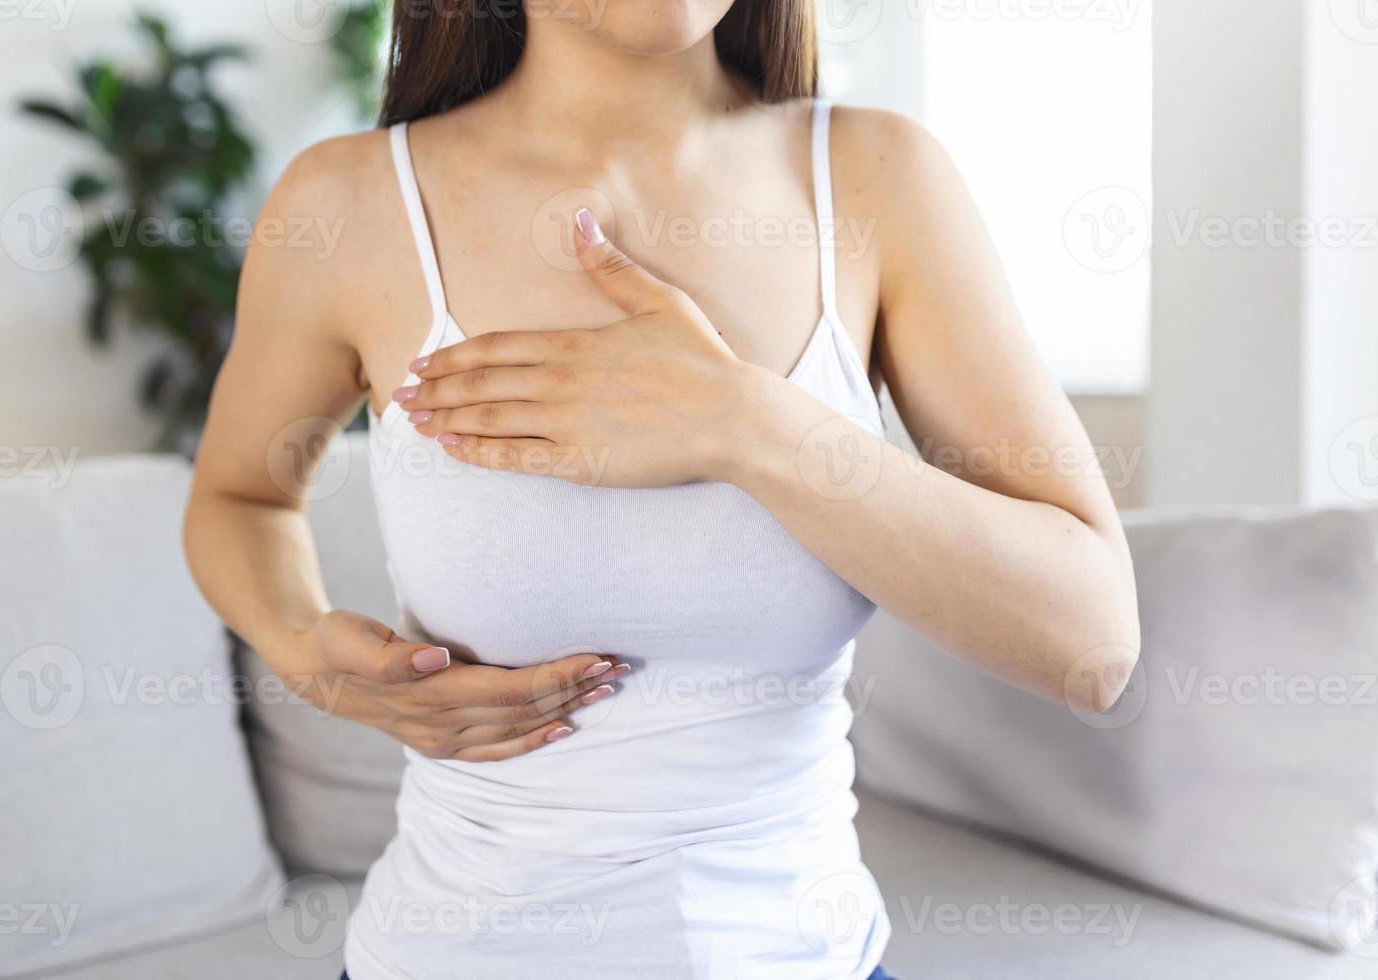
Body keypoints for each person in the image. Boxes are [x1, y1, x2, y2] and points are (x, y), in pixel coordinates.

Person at [183, 0, 1141, 975]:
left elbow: (1091, 643)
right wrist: (307, 651)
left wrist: (747, 423)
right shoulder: (346, 205)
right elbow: (239, 499)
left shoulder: (879, 179)